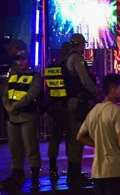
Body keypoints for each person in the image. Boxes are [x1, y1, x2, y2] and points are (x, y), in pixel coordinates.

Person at [77, 73, 120, 195]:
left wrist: (100, 144)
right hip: (116, 170)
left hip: (97, 171)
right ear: (113, 90)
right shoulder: (117, 112)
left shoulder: (94, 111)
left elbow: (80, 137)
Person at [0, 50, 42, 192]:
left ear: (28, 59)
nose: (20, 61)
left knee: (31, 148)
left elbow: (32, 94)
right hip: (13, 116)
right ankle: (17, 175)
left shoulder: (34, 75)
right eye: (18, 58)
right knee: (14, 149)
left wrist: (14, 107)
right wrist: (8, 107)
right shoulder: (12, 75)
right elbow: (5, 93)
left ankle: (35, 178)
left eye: (23, 58)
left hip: (27, 116)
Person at [63, 33, 100, 186]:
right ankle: (75, 175)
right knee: (78, 138)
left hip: (69, 102)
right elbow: (85, 81)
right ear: (81, 45)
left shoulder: (66, 59)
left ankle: (73, 174)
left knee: (72, 138)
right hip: (78, 103)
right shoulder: (77, 59)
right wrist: (97, 94)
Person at [45, 42, 71, 182]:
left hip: (54, 108)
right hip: (66, 108)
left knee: (54, 139)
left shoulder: (49, 68)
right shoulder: (67, 68)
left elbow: (47, 89)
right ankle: (73, 170)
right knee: (70, 139)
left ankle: (52, 169)